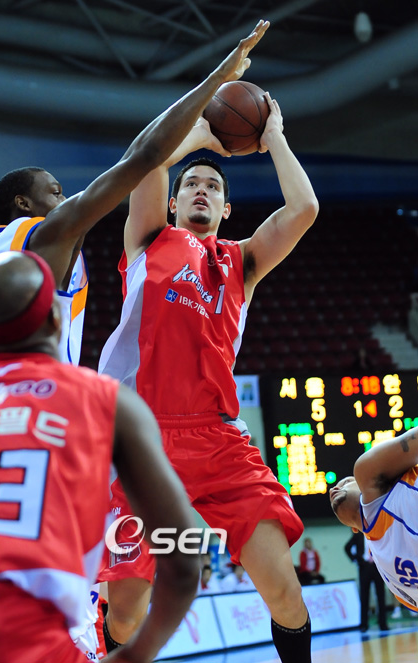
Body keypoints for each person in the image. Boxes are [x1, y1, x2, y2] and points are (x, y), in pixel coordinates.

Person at [96, 29, 319, 662]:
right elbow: (145, 158)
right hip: (143, 440)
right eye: (191, 183)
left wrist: (273, 135)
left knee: (285, 592)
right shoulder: (149, 239)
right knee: (127, 607)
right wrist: (198, 138)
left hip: (219, 441)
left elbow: (303, 208)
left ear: (225, 209)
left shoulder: (241, 261)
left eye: (213, 188)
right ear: (173, 202)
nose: (201, 189)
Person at [0, 16, 269, 372]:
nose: (63, 201)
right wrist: (217, 79)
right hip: (29, 395)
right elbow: (143, 156)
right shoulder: (48, 233)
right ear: (23, 203)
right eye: (55, 193)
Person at [0, 250, 200, 663]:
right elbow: (184, 559)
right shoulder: (105, 401)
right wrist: (134, 656)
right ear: (56, 319)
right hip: (37, 644)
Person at [330, 425, 418, 617]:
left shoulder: (367, 473)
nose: (333, 490)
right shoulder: (393, 581)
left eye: (345, 483)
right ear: (353, 529)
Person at [344, 531, 388, 632]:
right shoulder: (358, 535)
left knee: (381, 595)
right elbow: (347, 547)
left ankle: (383, 623)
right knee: (364, 596)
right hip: (364, 567)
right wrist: (356, 559)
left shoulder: (376, 533)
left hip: (377, 567)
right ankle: (364, 624)